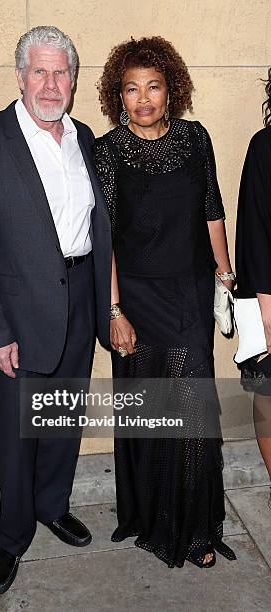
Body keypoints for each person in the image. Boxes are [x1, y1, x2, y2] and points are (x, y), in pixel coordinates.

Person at [0, 26, 111, 595]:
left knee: (63, 421)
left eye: (60, 72)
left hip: (80, 302)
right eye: (39, 72)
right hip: (17, 316)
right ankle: (11, 535)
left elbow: (98, 226)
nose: (50, 83)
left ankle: (52, 506)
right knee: (17, 434)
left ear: (73, 79)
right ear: (20, 77)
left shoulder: (85, 137)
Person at [94, 36, 236, 568]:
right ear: (118, 96)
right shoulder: (107, 152)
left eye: (153, 86)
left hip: (189, 291)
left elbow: (211, 209)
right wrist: (113, 310)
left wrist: (225, 274)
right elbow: (104, 237)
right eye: (131, 89)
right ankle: (146, 516)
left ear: (171, 88)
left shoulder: (195, 138)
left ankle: (194, 529)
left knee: (194, 405)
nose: (143, 98)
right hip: (133, 295)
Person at [235, 68, 271, 509]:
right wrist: (265, 311)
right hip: (267, 296)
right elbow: (254, 235)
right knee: (269, 392)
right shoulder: (264, 147)